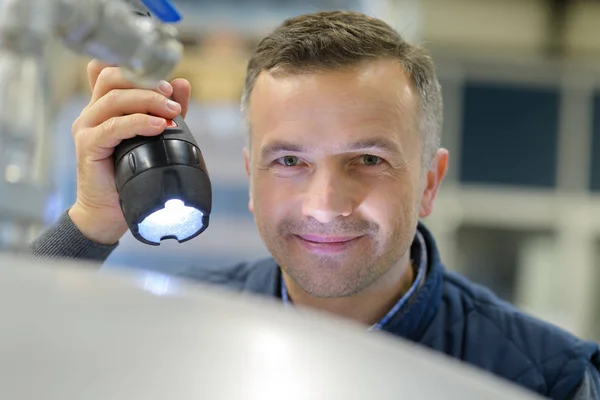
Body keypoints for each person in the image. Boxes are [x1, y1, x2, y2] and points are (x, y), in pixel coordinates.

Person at [29, 10, 599, 399]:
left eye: (368, 159)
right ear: (252, 179)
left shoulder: (546, 379)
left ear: (430, 181)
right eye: (290, 162)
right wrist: (89, 224)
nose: (326, 204)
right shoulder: (179, 326)